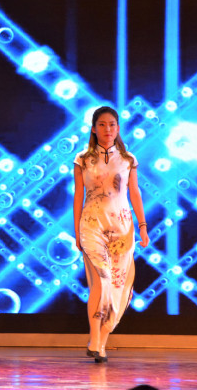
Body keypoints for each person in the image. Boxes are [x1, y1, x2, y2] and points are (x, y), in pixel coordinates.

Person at [73, 106, 149, 363]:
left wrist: (143, 226)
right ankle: (94, 338)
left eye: (112, 124)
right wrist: (76, 231)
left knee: (118, 288)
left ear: (118, 128)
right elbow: (78, 195)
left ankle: (102, 342)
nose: (108, 129)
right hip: (91, 225)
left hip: (122, 228)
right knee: (102, 281)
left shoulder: (128, 159)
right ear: (94, 129)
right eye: (102, 124)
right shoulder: (83, 158)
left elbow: (134, 193)